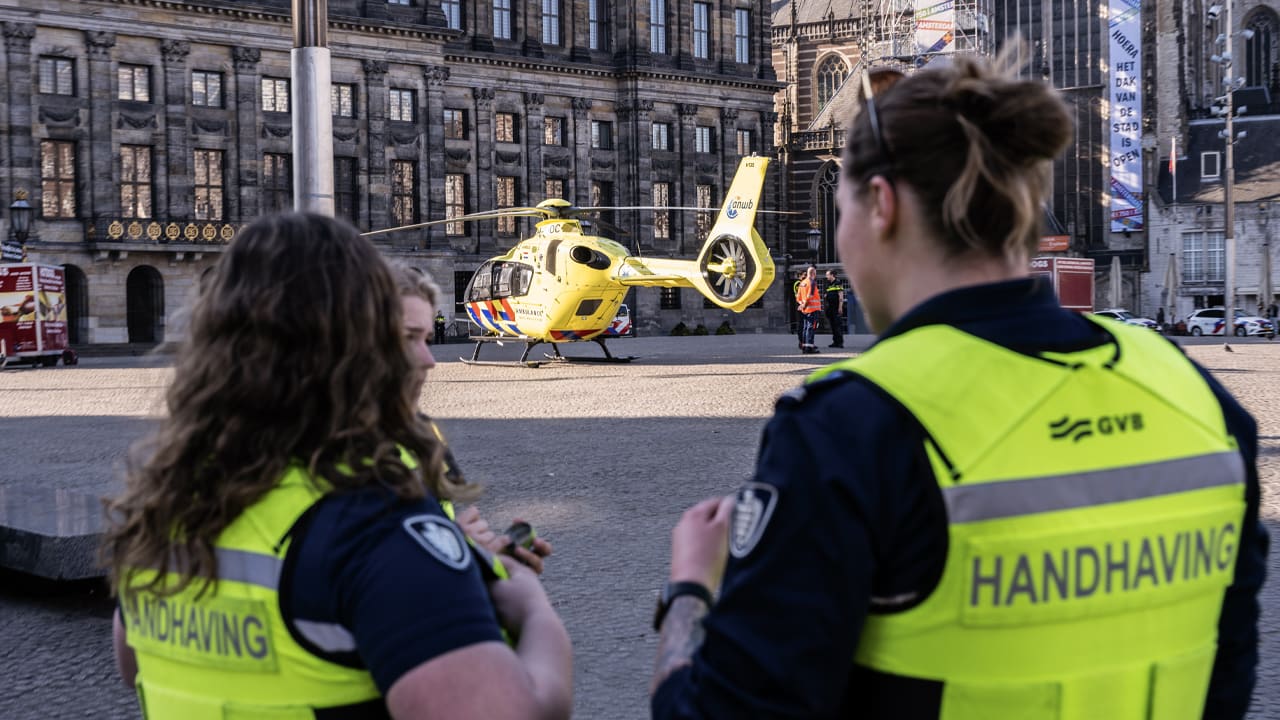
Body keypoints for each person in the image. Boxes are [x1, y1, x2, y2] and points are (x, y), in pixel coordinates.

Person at [651, 50, 1264, 719]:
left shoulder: (850, 428)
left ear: (881, 205)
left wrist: (690, 590)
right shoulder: (1197, 397)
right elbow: (1226, 677)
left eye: (841, 208)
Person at [104, 213, 572, 719]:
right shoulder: (371, 525)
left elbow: (132, 667)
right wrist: (530, 606)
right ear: (362, 339)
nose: (423, 358)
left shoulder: (165, 502)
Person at [390, 260, 552, 573]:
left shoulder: (418, 432)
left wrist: (475, 554)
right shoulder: (331, 458)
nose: (429, 361)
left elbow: (422, 551)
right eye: (408, 338)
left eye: (426, 340)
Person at [795, 265, 823, 354]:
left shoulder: (802, 283)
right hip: (812, 310)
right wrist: (805, 305)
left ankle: (804, 346)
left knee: (805, 328)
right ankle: (809, 348)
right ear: (813, 273)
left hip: (805, 311)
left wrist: (802, 304)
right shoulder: (812, 283)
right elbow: (809, 297)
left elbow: (798, 298)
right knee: (811, 328)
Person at [824, 269, 846, 348]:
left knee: (838, 325)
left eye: (827, 274)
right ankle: (835, 342)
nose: (826, 276)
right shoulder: (828, 284)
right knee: (833, 325)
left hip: (836, 307)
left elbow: (841, 295)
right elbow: (827, 293)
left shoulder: (838, 282)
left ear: (832, 275)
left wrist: (840, 307)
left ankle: (840, 343)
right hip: (830, 307)